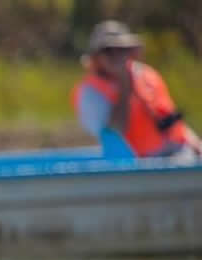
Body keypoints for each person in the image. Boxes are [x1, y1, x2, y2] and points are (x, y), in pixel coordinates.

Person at [73, 20, 202, 160]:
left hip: (178, 153)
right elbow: (114, 133)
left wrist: (195, 143)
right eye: (109, 50)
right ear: (97, 56)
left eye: (122, 49)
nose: (117, 55)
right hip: (138, 166)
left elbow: (171, 120)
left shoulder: (147, 75)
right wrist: (124, 85)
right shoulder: (89, 92)